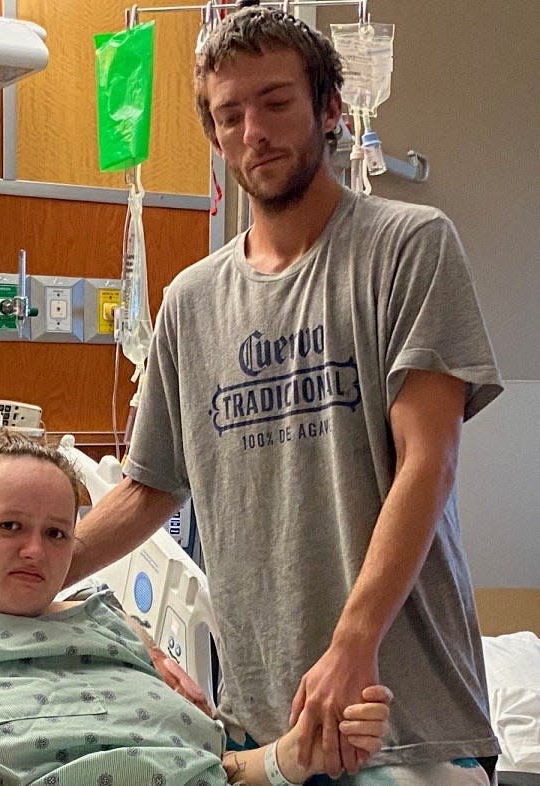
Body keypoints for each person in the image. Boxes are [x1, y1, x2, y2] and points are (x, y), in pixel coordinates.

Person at [64, 7, 504, 786]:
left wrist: (352, 641)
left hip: (405, 720)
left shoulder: (408, 247)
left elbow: (428, 462)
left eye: (275, 103)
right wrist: (14, 575)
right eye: (229, 114)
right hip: (266, 732)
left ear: (329, 108)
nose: (253, 131)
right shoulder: (192, 301)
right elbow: (145, 490)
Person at [0, 431, 391, 786]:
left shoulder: (115, 628)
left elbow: (217, 768)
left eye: (58, 534)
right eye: (9, 527)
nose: (36, 550)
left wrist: (295, 754)